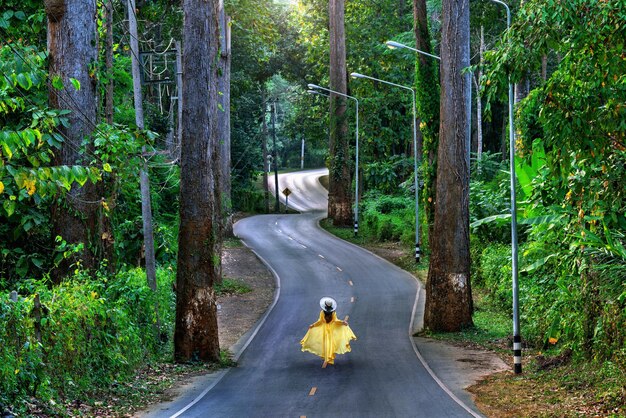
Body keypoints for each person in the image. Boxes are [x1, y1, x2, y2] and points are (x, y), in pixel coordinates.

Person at [300, 297, 357, 367]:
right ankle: (327, 358)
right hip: (331, 329)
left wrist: (313, 325)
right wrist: (342, 323)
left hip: (324, 330)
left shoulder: (322, 312)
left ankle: (326, 359)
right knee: (329, 344)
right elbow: (336, 321)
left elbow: (320, 321)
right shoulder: (333, 313)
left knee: (326, 344)